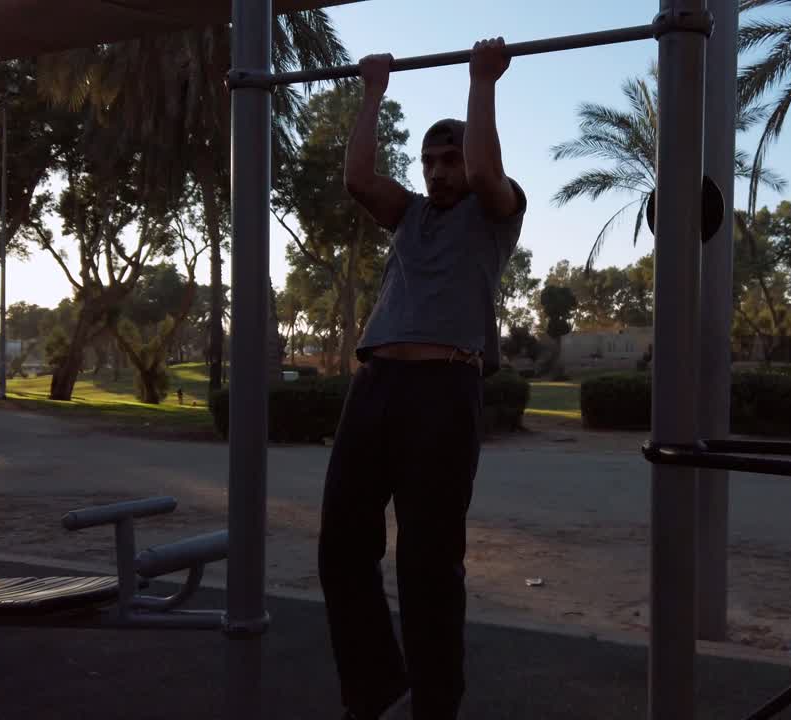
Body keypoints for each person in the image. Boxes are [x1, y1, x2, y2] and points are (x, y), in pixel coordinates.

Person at [318, 37, 526, 720]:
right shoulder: (407, 214)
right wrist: (372, 91)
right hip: (375, 385)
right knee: (342, 546)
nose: (440, 171)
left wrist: (482, 81)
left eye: (450, 160)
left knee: (428, 566)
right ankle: (375, 683)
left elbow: (487, 167)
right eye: (430, 161)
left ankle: (437, 707)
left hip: (443, 391)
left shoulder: (496, 210)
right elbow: (356, 178)